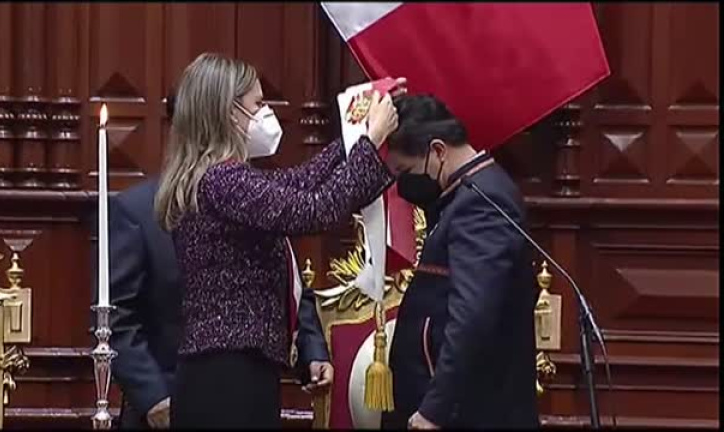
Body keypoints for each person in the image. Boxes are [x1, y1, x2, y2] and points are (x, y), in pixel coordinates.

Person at [153, 52, 403, 428]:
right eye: (257, 104)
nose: (265, 112)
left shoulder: (215, 177)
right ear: (230, 112)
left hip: (231, 368)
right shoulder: (223, 181)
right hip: (228, 376)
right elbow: (314, 210)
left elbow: (302, 182)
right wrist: (370, 143)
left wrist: (358, 131)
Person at [100, 94, 335, 429]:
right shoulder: (136, 211)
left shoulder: (251, 194)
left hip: (247, 389)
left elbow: (282, 276)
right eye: (252, 106)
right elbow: (116, 316)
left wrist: (312, 349)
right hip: (167, 400)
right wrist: (152, 395)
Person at [380, 94, 539, 429]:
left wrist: (434, 409)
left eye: (406, 171)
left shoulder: (481, 203)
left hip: (464, 413)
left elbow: (472, 314)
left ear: (438, 151)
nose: (402, 184)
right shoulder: (460, 195)